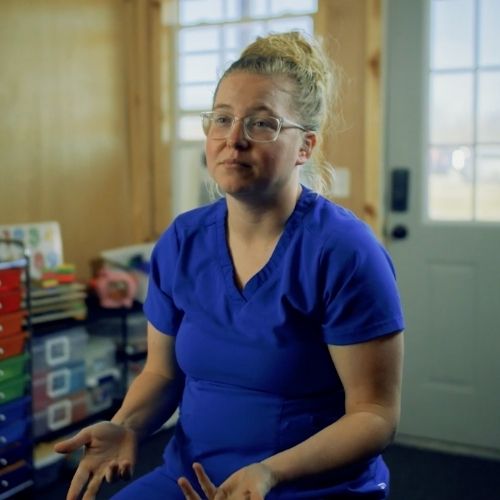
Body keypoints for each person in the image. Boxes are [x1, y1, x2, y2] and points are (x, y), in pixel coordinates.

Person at [55, 31, 404, 500]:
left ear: (305, 147)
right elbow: (162, 374)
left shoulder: (344, 252)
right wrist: (126, 425)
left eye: (262, 124)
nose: (233, 139)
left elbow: (374, 415)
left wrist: (269, 473)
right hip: (192, 479)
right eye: (222, 118)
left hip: (304, 486)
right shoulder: (182, 241)